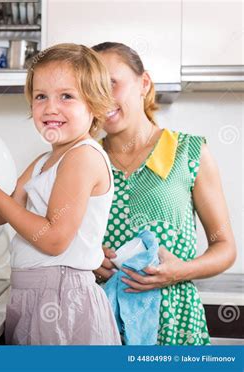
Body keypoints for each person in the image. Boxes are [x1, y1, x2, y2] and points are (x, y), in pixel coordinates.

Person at [0, 43, 121, 345]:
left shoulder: (82, 158)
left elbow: (55, 239)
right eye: (40, 96)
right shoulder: (43, 162)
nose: (50, 107)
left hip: (62, 300)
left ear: (94, 105)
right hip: (33, 296)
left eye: (66, 96)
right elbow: (2, 213)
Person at [91, 42, 237, 345]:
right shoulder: (85, 159)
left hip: (174, 321)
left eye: (111, 84)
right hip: (102, 318)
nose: (102, 99)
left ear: (144, 84)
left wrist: (180, 270)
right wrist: (87, 259)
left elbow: (224, 246)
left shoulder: (188, 152)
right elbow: (58, 238)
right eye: (91, 89)